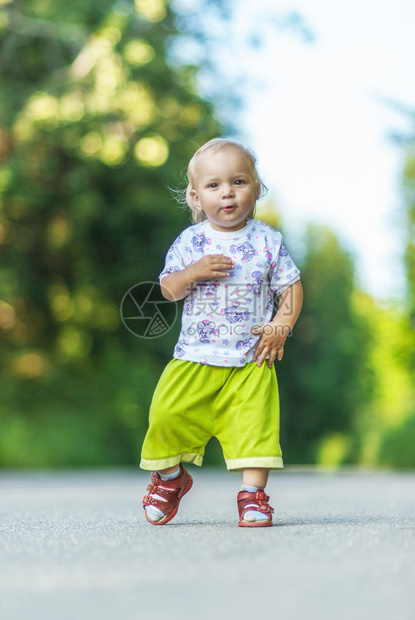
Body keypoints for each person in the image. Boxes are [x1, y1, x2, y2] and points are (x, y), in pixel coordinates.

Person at [140, 138, 303, 527]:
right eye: (214, 186)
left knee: (255, 429)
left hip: (251, 359)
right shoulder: (190, 242)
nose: (227, 192)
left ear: (256, 189)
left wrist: (282, 324)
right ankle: (170, 479)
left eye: (239, 182)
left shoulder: (267, 241)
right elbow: (168, 288)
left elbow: (291, 286)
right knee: (166, 416)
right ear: (196, 198)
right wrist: (192, 272)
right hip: (195, 356)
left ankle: (252, 497)